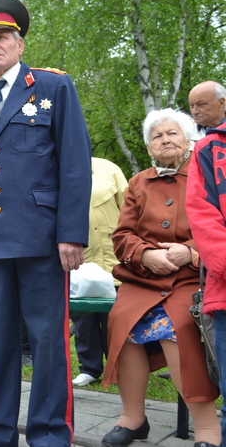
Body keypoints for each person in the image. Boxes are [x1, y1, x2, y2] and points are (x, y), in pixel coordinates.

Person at [0, 0, 92, 447]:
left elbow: (74, 163)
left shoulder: (52, 88)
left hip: (42, 237)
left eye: (2, 37)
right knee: (1, 339)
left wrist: (71, 233)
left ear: (20, 43)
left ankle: (50, 433)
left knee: (47, 339)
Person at [100, 109, 220, 447]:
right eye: (157, 136)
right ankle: (133, 418)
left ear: (187, 141)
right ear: (150, 147)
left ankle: (208, 429)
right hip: (143, 277)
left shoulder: (205, 174)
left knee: (177, 325)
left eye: (172, 134)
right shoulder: (138, 182)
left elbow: (219, 226)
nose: (165, 140)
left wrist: (191, 251)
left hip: (192, 278)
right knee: (121, 321)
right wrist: (145, 255)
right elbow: (122, 235)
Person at [71, 157, 128, 387]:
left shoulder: (109, 168)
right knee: (84, 318)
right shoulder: (55, 166)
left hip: (112, 255)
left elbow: (128, 207)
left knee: (114, 317)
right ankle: (90, 368)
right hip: (80, 255)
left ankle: (120, 368)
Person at [187, 118, 226, 445]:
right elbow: (202, 214)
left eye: (172, 133)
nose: (165, 141)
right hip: (221, 287)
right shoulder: (211, 148)